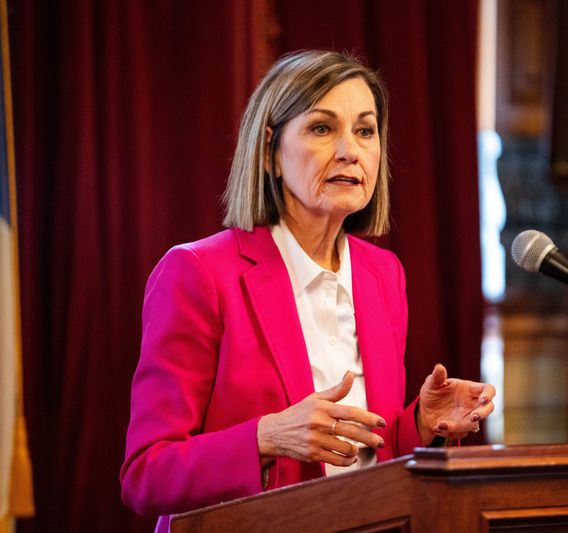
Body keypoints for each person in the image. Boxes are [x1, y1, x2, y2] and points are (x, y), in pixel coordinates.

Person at [120, 50, 495, 531]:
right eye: (322, 128)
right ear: (270, 153)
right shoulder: (198, 273)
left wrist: (421, 424)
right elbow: (145, 475)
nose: (350, 151)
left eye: (365, 130)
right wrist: (266, 437)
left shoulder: (384, 274)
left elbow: (361, 463)